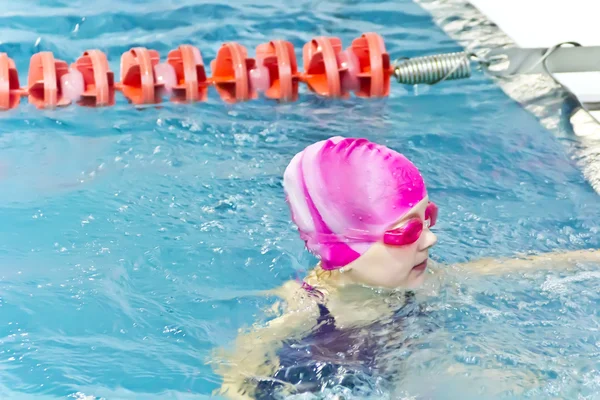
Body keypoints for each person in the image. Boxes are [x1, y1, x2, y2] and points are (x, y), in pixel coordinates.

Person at [212, 136, 600, 400]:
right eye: (407, 231)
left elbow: (499, 270)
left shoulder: (418, 279)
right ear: (347, 246)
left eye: (427, 218)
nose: (429, 239)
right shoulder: (308, 307)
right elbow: (239, 368)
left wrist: (587, 259)